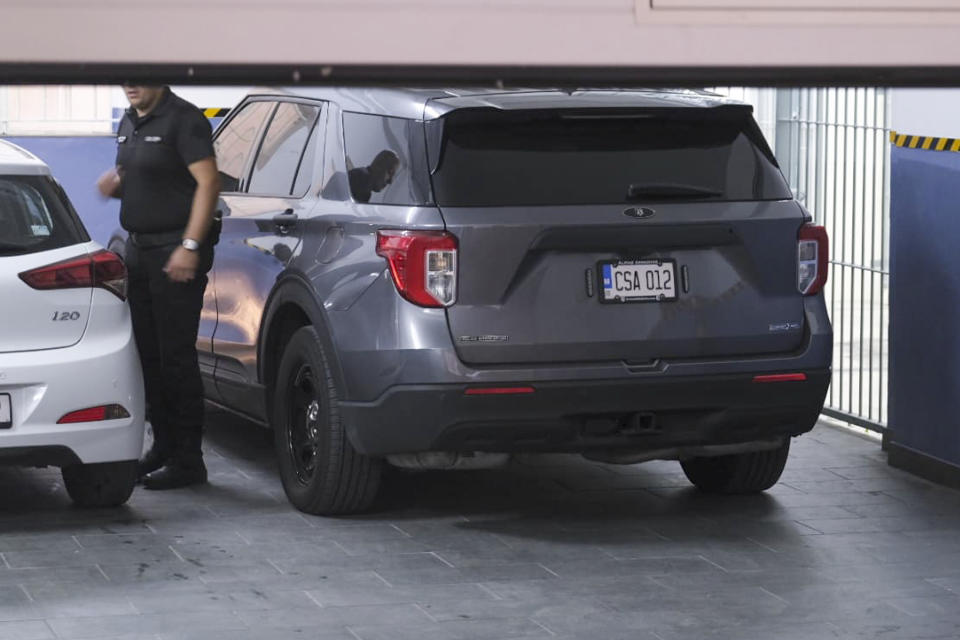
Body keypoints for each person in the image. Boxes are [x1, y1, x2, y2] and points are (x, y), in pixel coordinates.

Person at [97, 84, 220, 490]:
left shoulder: (184, 119)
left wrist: (189, 246)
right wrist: (119, 183)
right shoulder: (130, 119)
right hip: (140, 251)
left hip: (175, 252)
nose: (130, 83)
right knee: (147, 357)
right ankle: (164, 448)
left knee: (175, 359)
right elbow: (141, 173)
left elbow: (207, 183)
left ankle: (189, 461)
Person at [322, 149, 399, 203]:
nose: (390, 181)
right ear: (379, 165)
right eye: (390, 172)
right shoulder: (361, 184)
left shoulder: (360, 181)